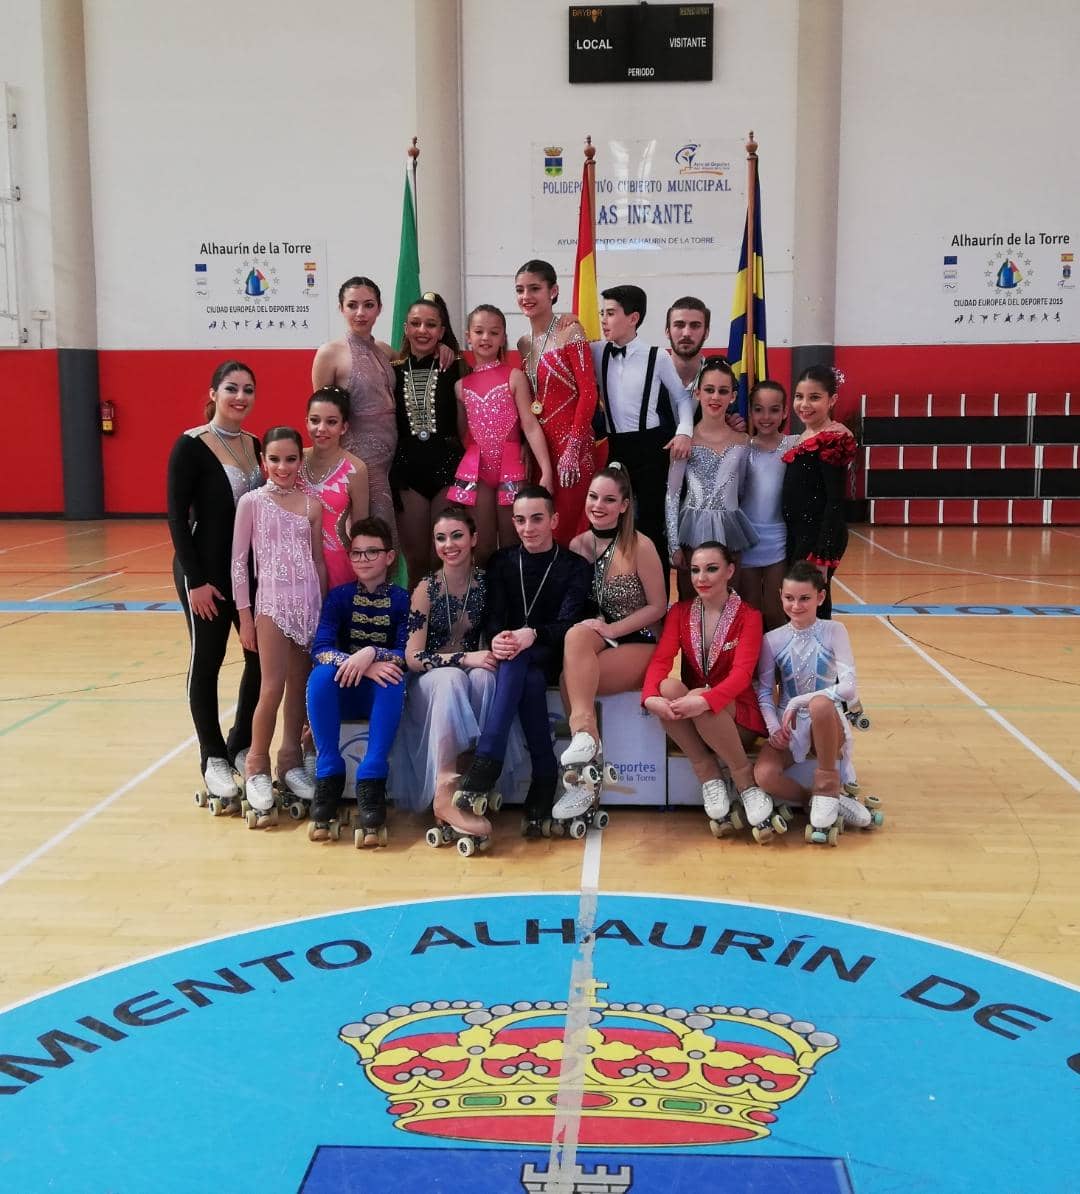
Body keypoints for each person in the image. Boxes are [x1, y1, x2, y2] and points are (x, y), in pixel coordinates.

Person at [453, 485, 591, 835]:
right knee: (522, 673)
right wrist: (499, 636)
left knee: (522, 663)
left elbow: (570, 625)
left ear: (554, 520)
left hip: (555, 654)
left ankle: (488, 760)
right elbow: (494, 614)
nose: (528, 528)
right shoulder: (502, 561)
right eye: (520, 520)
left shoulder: (574, 566)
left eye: (536, 519)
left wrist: (535, 634)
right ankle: (544, 775)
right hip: (514, 656)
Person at [391, 507, 526, 850]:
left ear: (473, 539)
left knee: (486, 678)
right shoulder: (426, 588)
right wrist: (464, 657)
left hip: (464, 677)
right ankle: (444, 793)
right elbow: (413, 657)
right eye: (440, 538)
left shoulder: (485, 583)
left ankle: (472, 779)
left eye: (456, 536)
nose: (449, 545)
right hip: (430, 683)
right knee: (453, 677)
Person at [167, 361, 263, 809]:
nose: (240, 397)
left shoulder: (256, 444)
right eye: (231, 388)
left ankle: (240, 744)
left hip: (247, 574)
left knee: (259, 661)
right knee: (206, 660)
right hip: (204, 574)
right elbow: (176, 518)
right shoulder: (190, 445)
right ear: (213, 393)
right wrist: (197, 581)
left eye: (247, 389)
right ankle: (212, 757)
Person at [641, 541, 779, 841]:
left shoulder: (749, 616)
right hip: (698, 709)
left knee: (700, 701)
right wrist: (650, 697)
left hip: (738, 713)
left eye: (711, 569)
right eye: (695, 570)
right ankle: (708, 775)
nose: (701, 577)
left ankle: (745, 781)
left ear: (730, 571)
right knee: (666, 688)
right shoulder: (679, 612)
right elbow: (661, 661)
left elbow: (742, 676)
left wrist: (704, 699)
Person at [555, 464, 667, 825]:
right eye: (592, 497)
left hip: (642, 641)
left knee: (568, 682)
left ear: (624, 505)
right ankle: (587, 755)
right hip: (601, 639)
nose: (598, 505)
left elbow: (658, 607)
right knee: (573, 644)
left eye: (608, 499)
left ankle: (585, 767)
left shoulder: (641, 545)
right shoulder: (578, 545)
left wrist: (613, 629)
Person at [312, 277, 455, 549]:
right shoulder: (329, 354)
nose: (360, 313)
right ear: (341, 308)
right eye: (352, 305)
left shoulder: (387, 352)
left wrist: (443, 347)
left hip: (395, 465)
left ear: (379, 309)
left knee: (389, 543)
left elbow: (417, 360)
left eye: (368, 305)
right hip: (358, 466)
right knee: (365, 541)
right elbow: (321, 419)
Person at [231, 427, 326, 824]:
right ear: (262, 462)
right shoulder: (251, 503)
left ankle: (289, 760)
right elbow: (239, 564)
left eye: (290, 459)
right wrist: (246, 616)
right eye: (274, 459)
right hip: (271, 605)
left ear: (299, 461)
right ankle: (256, 765)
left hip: (307, 605)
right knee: (270, 687)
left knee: (299, 690)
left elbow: (318, 560)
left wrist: (320, 610)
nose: (283, 467)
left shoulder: (312, 505)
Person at [753, 561, 880, 845]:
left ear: (820, 598)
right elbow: (763, 691)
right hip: (789, 723)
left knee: (820, 703)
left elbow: (847, 689)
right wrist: (774, 728)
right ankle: (814, 801)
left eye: (804, 598)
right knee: (764, 775)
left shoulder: (835, 631)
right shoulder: (772, 640)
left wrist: (798, 700)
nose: (796, 606)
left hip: (825, 718)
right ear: (780, 596)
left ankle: (827, 784)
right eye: (789, 598)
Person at [306, 517, 409, 845]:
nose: (363, 560)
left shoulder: (403, 600)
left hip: (380, 694)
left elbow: (407, 653)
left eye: (372, 552)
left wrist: (374, 652)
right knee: (320, 676)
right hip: (344, 686)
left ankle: (371, 777)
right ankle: (329, 772)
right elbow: (321, 648)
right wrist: (361, 662)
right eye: (356, 553)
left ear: (389, 557)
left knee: (393, 678)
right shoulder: (338, 598)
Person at [590, 285, 694, 569]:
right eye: (602, 312)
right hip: (615, 449)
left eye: (610, 313)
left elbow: (682, 397)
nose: (603, 319)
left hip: (651, 450)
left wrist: (684, 431)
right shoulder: (596, 352)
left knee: (650, 525)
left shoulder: (657, 356)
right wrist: (567, 322)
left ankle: (656, 604)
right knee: (610, 522)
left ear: (633, 317)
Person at [450, 303, 553, 561]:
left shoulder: (514, 376)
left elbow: (530, 425)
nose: (486, 338)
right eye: (479, 331)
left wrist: (546, 470)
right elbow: (465, 434)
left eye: (494, 332)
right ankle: (489, 600)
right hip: (479, 471)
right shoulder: (460, 386)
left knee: (512, 543)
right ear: (468, 336)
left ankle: (515, 599)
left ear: (503, 338)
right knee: (482, 546)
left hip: (512, 467)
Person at [514, 259, 602, 544]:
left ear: (553, 291)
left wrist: (573, 448)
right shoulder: (523, 343)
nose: (526, 296)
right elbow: (530, 402)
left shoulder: (570, 331)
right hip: (542, 449)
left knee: (568, 529)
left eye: (534, 288)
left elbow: (588, 393)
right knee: (543, 531)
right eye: (520, 290)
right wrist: (528, 445)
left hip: (571, 448)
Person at [390, 293, 465, 588]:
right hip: (408, 472)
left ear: (442, 331)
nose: (423, 330)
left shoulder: (456, 366)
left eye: (431, 325)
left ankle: (447, 625)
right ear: (406, 328)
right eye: (416, 324)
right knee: (418, 559)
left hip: (447, 469)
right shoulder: (392, 370)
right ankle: (414, 627)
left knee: (443, 557)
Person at [665, 357, 757, 595]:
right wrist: (673, 544)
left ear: (733, 397)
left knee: (729, 599)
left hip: (730, 530)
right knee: (690, 601)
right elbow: (672, 495)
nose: (715, 397)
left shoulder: (743, 441)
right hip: (691, 532)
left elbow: (743, 490)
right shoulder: (685, 440)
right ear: (697, 393)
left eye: (723, 391)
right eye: (709, 390)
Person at [781, 365, 856, 620]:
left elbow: (835, 500)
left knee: (813, 599)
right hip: (800, 532)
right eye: (800, 397)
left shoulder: (833, 439)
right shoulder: (805, 436)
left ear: (832, 400)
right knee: (800, 600)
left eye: (815, 398)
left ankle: (820, 654)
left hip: (818, 535)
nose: (805, 404)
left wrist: (822, 553)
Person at [735, 381, 800, 631]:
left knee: (775, 611)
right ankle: (751, 668)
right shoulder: (742, 448)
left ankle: (775, 670)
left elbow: (827, 433)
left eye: (774, 410)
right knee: (751, 611)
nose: (766, 417)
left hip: (778, 539)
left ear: (785, 412)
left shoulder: (795, 445)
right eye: (759, 409)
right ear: (750, 412)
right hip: (748, 537)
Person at [299, 386, 369, 589]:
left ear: (344, 427)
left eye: (331, 422)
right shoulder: (294, 461)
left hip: (339, 565)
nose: (321, 428)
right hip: (296, 562)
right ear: (306, 422)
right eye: (314, 420)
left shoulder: (356, 469)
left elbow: (361, 528)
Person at [664, 296, 711, 389]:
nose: (686, 333)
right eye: (679, 325)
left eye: (695, 326)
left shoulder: (723, 383)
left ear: (706, 333)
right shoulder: (648, 379)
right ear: (668, 332)